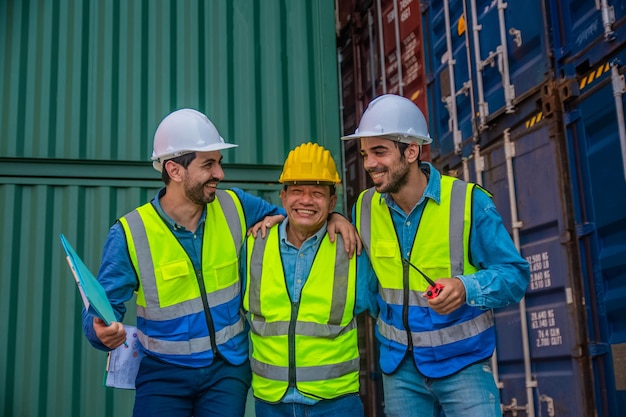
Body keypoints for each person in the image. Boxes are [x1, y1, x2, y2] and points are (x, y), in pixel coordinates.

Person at [81, 108, 361, 417]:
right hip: (163, 375)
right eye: (209, 164)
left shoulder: (236, 206)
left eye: (219, 163)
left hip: (227, 373)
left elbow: (298, 215)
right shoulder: (130, 233)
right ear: (175, 170)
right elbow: (102, 309)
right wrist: (99, 332)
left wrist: (336, 218)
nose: (220, 174)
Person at [341, 94, 530, 417]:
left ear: (411, 151)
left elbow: (515, 276)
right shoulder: (364, 208)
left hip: (464, 365)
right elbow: (367, 288)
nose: (369, 163)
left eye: (379, 151)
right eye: (365, 154)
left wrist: (465, 288)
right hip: (400, 369)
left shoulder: (468, 202)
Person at [241, 142, 378, 417]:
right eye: (297, 192)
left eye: (317, 193)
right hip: (270, 403)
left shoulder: (351, 249)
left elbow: (385, 312)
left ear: (332, 201)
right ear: (282, 197)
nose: (305, 201)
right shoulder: (253, 245)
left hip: (335, 404)